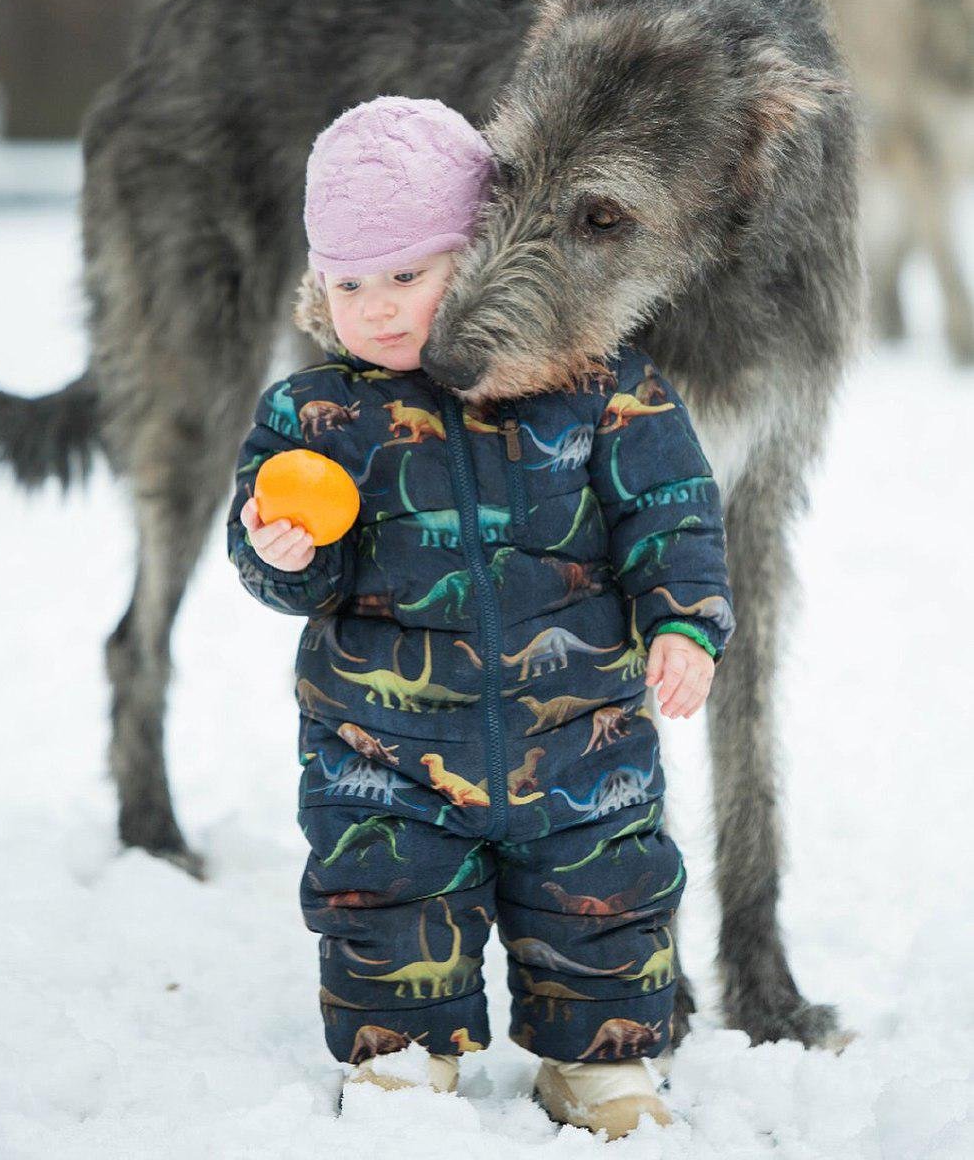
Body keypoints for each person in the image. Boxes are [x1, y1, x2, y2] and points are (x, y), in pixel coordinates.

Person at [225, 95, 735, 1140]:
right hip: (383, 747)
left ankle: (596, 1063)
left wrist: (684, 621)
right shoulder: (316, 410)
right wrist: (282, 550)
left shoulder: (596, 385)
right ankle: (402, 1056)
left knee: (606, 892)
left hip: (579, 737)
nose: (375, 305)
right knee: (382, 892)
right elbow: (293, 571)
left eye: (407, 273)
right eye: (349, 279)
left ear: (487, 252)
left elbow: (670, 507)